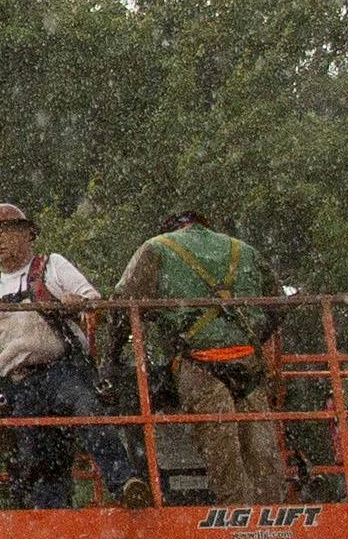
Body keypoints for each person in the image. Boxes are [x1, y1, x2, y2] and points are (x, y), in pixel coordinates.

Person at [111, 204, 294, 502]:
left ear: (172, 229)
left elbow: (121, 306)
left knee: (223, 450)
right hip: (247, 362)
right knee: (262, 451)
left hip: (199, 365)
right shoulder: (243, 249)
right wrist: (253, 337)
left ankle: (236, 523)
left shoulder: (157, 248)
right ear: (206, 226)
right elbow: (278, 307)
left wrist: (112, 358)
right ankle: (274, 524)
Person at [0, 203, 143, 510]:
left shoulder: (51, 266)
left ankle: (125, 483)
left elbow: (94, 302)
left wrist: (74, 302)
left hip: (61, 370)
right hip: (17, 382)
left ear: (27, 235)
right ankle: (50, 515)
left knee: (87, 408)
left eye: (4, 231)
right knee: (36, 453)